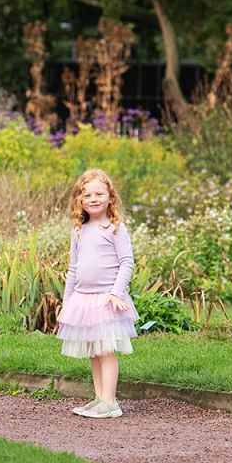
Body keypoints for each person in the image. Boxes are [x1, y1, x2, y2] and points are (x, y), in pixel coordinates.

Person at [56, 168, 139, 419]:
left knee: (105, 351)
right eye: (87, 194)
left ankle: (110, 401)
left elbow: (127, 262)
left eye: (98, 193)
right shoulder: (79, 230)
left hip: (106, 298)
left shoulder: (115, 228)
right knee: (93, 350)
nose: (93, 199)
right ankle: (99, 398)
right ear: (79, 200)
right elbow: (73, 268)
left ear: (110, 197)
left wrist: (116, 292)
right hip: (83, 299)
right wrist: (67, 303)